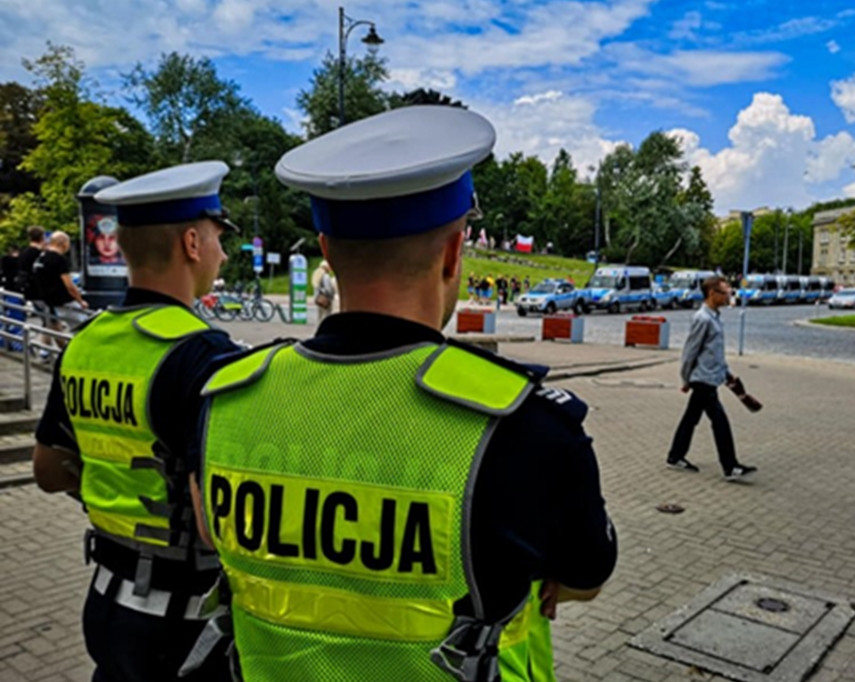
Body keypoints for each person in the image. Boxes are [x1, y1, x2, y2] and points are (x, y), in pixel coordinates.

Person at [192, 106, 617, 681]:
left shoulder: (228, 397)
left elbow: (209, 533)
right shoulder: (522, 424)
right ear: (452, 252)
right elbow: (585, 577)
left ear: (327, 249)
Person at [31, 161, 241, 682]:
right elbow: (216, 528)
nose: (224, 251)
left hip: (107, 602)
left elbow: (46, 470)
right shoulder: (204, 356)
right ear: (192, 242)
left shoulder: (85, 343)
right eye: (219, 236)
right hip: (186, 627)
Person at [666, 275, 758, 481]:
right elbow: (690, 351)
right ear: (712, 294)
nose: (728, 297)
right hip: (702, 380)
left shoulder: (715, 317)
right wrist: (685, 379)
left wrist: (727, 373)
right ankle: (730, 467)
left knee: (691, 418)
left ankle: (675, 456)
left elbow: (715, 352)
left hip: (711, 377)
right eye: (725, 293)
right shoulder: (702, 319)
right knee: (720, 421)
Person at [32, 231, 89, 350]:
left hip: (48, 301)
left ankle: (60, 352)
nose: (68, 246)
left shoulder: (40, 258)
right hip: (64, 301)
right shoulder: (59, 259)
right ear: (62, 243)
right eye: (68, 243)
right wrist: (80, 301)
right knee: (84, 328)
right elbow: (69, 285)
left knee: (54, 328)